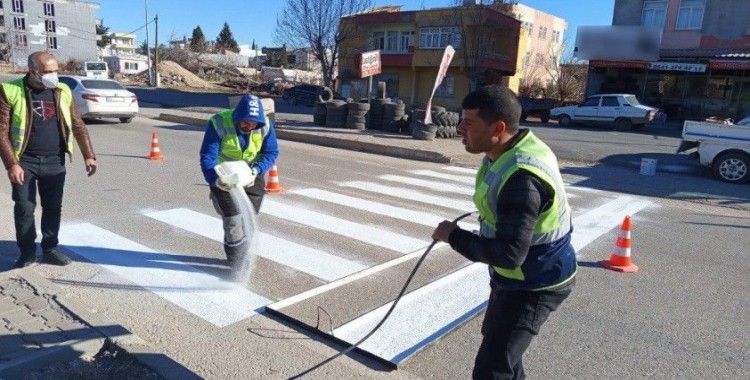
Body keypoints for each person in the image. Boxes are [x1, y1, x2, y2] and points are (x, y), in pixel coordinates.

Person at [432, 85, 576, 379]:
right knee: (504, 356)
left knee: (491, 369)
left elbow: (509, 255)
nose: (460, 129)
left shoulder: (522, 178)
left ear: (498, 127)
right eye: (460, 121)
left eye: (468, 123)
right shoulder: (506, 150)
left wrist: (453, 236)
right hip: (517, 279)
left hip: (536, 283)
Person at [0, 51, 97, 268]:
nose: (53, 75)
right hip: (24, 161)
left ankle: (50, 248)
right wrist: (11, 164)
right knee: (24, 207)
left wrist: (88, 155)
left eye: (55, 70)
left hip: (55, 160)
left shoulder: (62, 91)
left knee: (53, 207)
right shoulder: (10, 90)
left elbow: (78, 124)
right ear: (32, 71)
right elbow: (1, 131)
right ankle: (26, 252)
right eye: (47, 72)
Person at [199, 94, 279, 266]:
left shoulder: (264, 125)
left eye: (253, 123)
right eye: (245, 122)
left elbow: (271, 152)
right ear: (237, 117)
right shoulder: (219, 122)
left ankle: (245, 252)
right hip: (225, 177)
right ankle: (236, 263)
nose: (249, 126)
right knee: (234, 222)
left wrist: (256, 170)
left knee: (249, 219)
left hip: (251, 175)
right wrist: (215, 179)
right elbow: (208, 156)